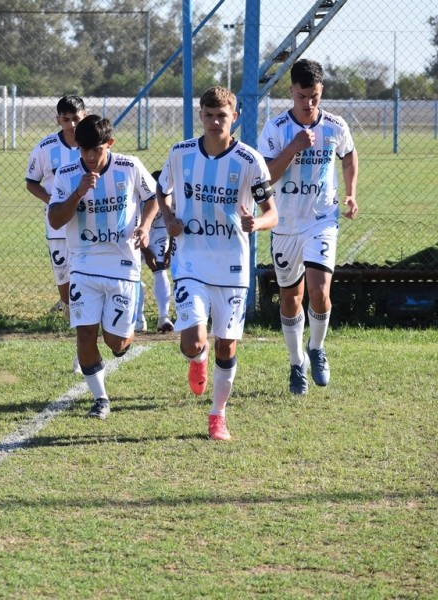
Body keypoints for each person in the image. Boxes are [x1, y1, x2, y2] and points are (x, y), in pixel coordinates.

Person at [157, 86, 278, 440]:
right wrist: (167, 217)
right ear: (200, 116)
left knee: (227, 345)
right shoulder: (180, 154)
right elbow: (160, 191)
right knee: (194, 341)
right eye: (208, 115)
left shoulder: (249, 161)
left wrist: (256, 223)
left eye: (221, 116)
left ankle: (217, 415)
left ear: (234, 117)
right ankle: (198, 359)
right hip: (191, 261)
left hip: (233, 267)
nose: (214, 121)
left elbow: (272, 213)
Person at [257, 58, 358, 396]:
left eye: (314, 96)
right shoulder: (276, 128)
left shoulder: (335, 125)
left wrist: (351, 194)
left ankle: (316, 348)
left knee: (319, 291)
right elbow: (267, 175)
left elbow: (349, 155)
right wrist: (295, 146)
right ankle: (296, 362)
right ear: (291, 93)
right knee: (291, 298)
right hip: (285, 224)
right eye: (302, 96)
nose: (309, 103)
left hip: (322, 220)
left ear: (321, 91)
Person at [48, 115, 158, 419]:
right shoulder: (68, 174)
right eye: (83, 151)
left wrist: (146, 226)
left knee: (117, 343)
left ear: (109, 144)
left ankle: (130, 320)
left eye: (95, 150)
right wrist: (78, 193)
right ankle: (100, 399)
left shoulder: (129, 166)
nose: (89, 157)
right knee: (85, 334)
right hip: (83, 262)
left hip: (123, 263)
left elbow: (153, 198)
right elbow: (55, 219)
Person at [26, 96, 86, 372]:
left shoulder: (93, 143)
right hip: (58, 226)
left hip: (88, 227)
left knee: (82, 286)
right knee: (65, 287)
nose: (72, 124)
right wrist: (52, 201)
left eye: (76, 118)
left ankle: (81, 350)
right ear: (58, 120)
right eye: (66, 119)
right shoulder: (46, 148)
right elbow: (31, 182)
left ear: (84, 116)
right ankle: (67, 307)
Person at [138, 169, 175, 334]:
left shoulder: (172, 196)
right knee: (132, 272)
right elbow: (136, 226)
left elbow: (175, 222)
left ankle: (163, 318)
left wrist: (170, 251)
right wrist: (146, 252)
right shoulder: (141, 199)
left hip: (159, 230)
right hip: (138, 231)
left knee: (160, 270)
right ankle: (137, 320)